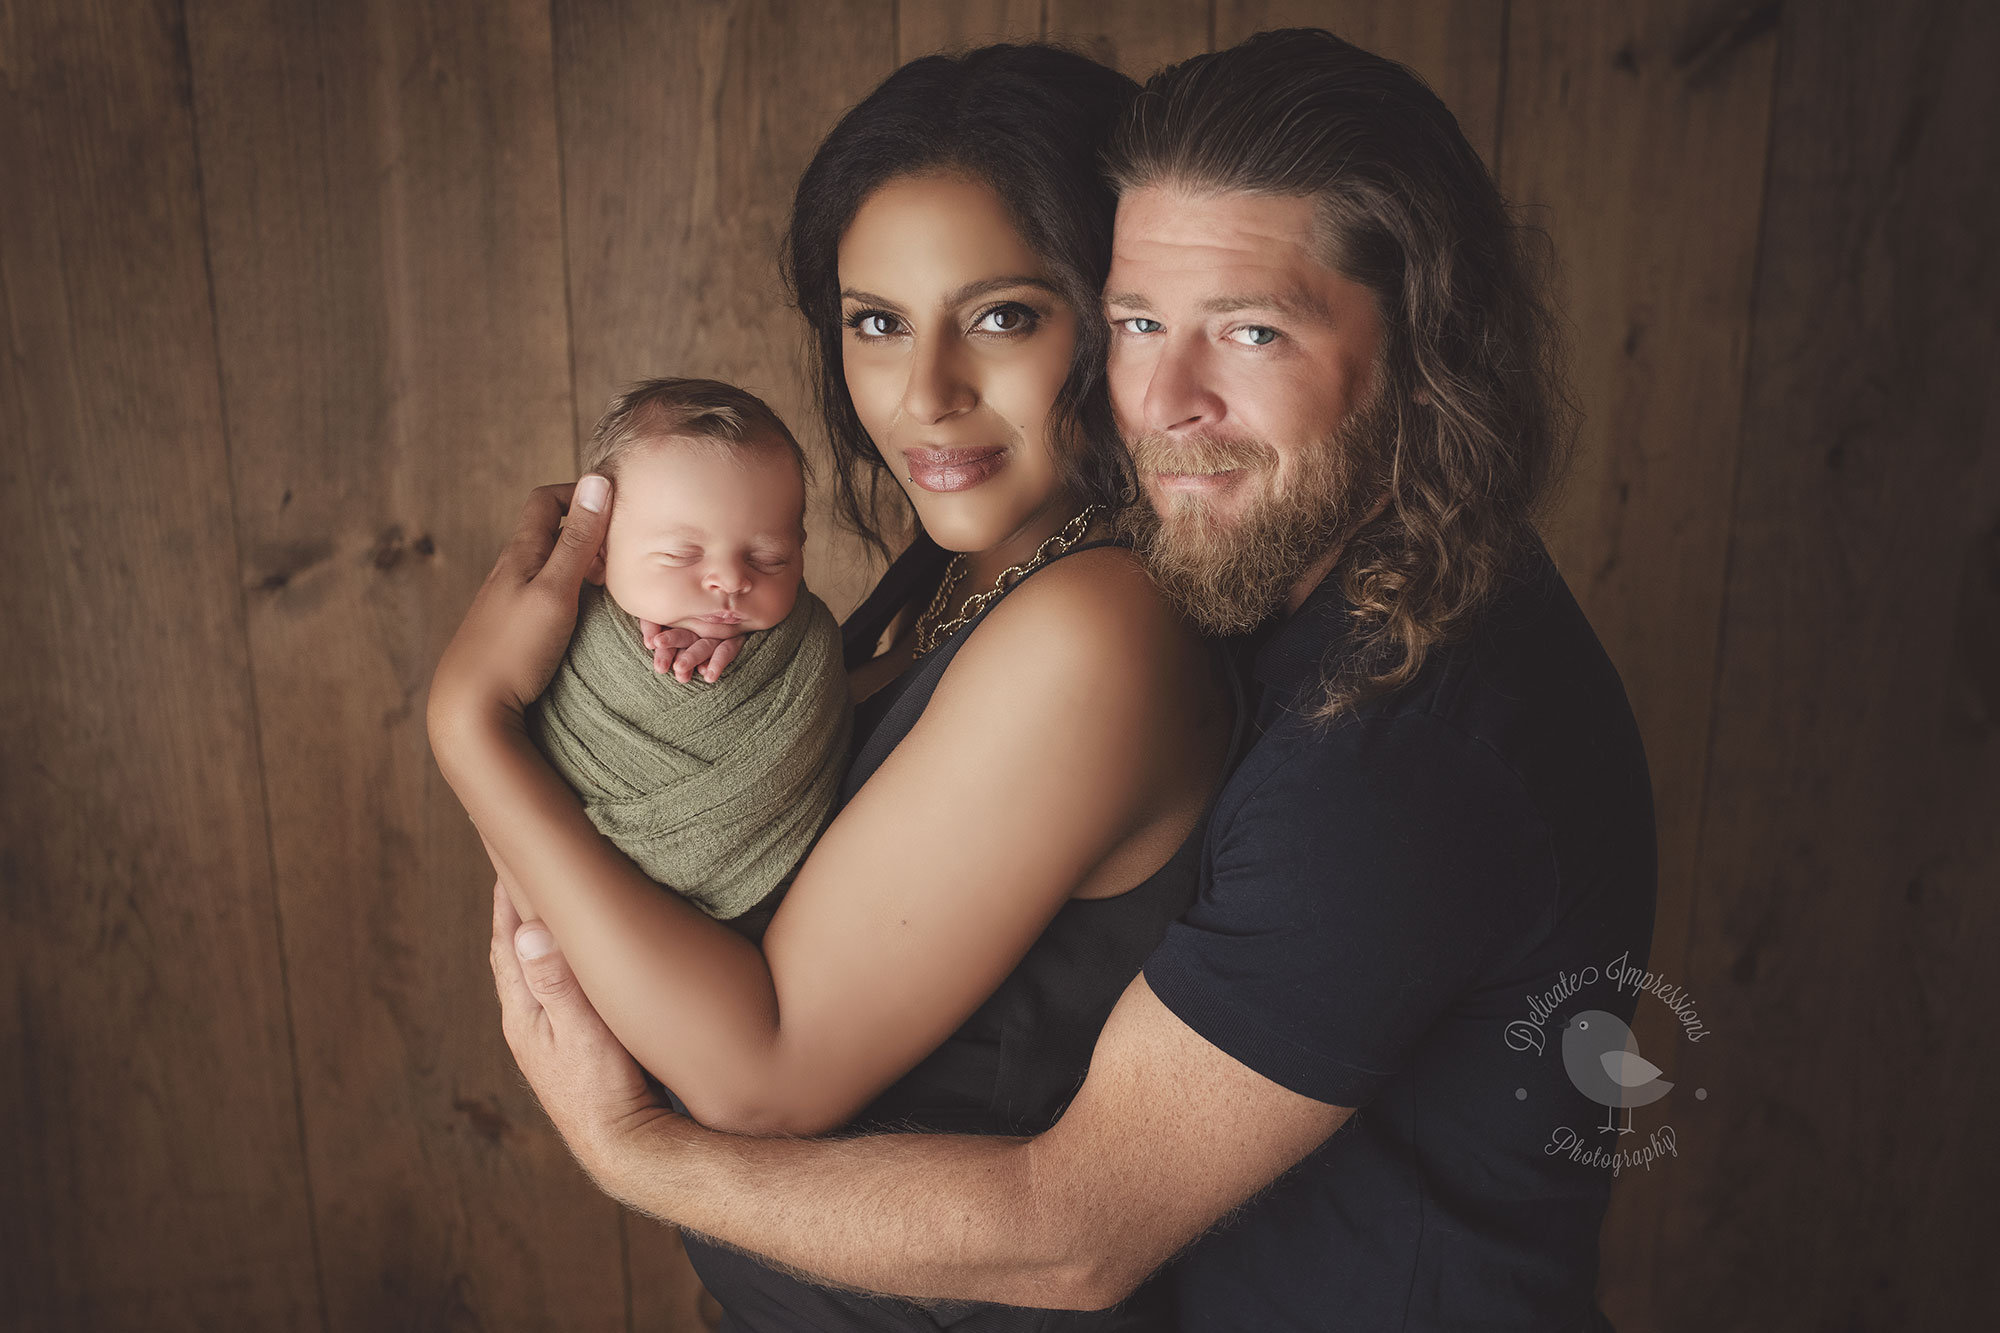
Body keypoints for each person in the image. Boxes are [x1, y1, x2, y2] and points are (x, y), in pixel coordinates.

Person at [480, 28, 1659, 1333]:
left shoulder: (1389, 731)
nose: (1171, 397)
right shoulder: (1039, 561)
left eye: (1252, 332)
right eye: (1144, 323)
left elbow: (1066, 1234)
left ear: (1424, 341)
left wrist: (475, 732)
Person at [427, 43, 1234, 1331]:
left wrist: (470, 729)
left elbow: (761, 1075)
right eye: (876, 323)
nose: (924, 395)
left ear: (1113, 310)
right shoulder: (958, 571)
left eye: (1003, 315)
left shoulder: (1097, 623)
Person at [524, 377, 849, 938]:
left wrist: (753, 655)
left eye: (770, 558)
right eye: (680, 555)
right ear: (597, 554)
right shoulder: (559, 634)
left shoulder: (806, 642)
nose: (730, 579)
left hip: (791, 928)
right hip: (597, 918)